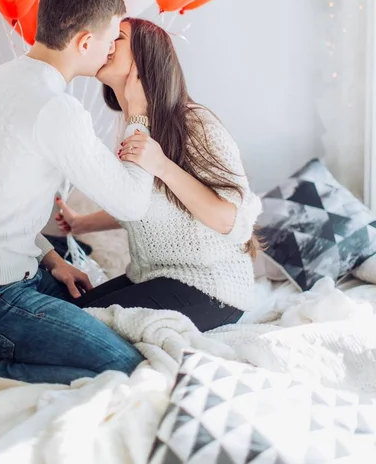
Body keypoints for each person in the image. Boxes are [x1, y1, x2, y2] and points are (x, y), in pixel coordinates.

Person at [0, 0, 156, 384]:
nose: (113, 50)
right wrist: (137, 112)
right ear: (85, 43)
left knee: (99, 307)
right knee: (125, 366)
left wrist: (50, 257)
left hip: (13, 272)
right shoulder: (55, 107)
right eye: (111, 39)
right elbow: (132, 203)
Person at [55, 18, 262, 332]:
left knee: (75, 327)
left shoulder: (193, 123)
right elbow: (144, 204)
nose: (106, 43)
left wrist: (163, 165)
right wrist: (81, 224)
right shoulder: (129, 126)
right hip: (154, 276)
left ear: (144, 57)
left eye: (118, 37)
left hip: (212, 289)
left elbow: (230, 221)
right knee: (66, 316)